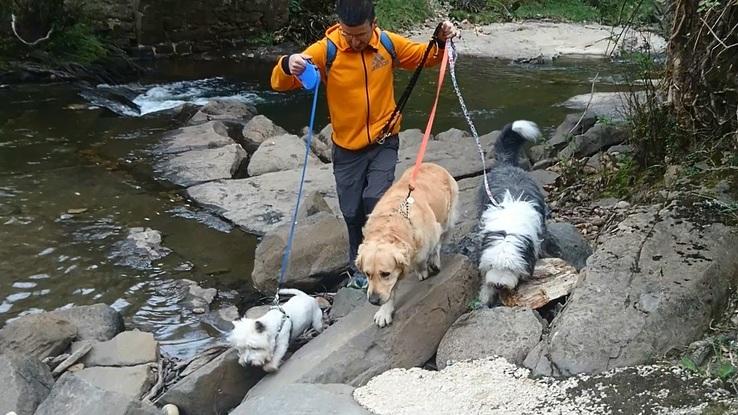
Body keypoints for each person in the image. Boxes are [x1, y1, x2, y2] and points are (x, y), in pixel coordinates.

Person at [271, 0, 457, 289]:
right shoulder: (326, 50)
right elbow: (280, 83)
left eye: (360, 34)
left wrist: (441, 39)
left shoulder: (386, 44)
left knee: (376, 200)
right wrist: (288, 64)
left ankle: (386, 259)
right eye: (348, 35)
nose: (355, 41)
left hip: (384, 142)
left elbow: (425, 56)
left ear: (373, 23)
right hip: (346, 148)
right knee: (351, 211)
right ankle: (360, 263)